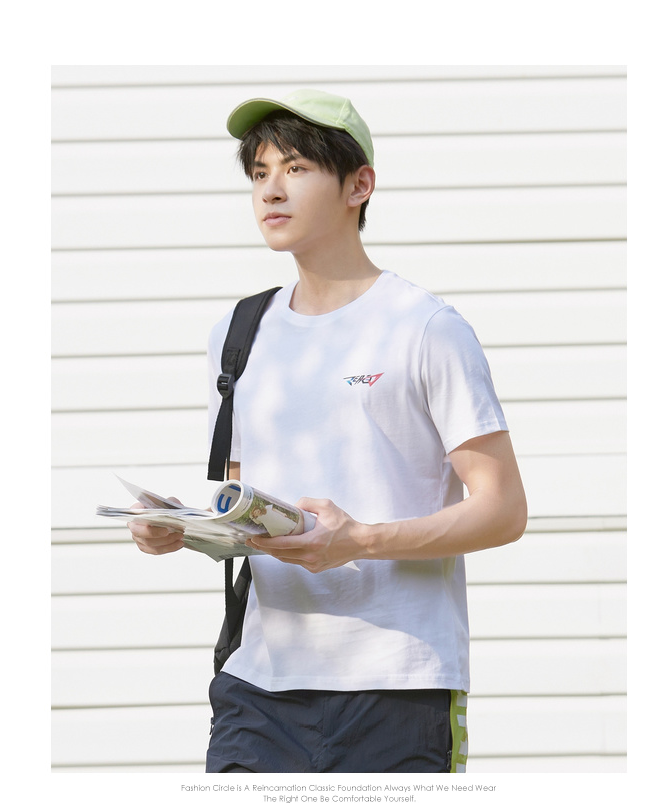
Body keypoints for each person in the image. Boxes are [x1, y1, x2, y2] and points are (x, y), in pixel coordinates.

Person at [129, 88, 528, 773]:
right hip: (258, 686)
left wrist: (361, 540)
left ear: (358, 185)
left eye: (296, 168)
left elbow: (503, 509)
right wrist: (185, 528)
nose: (270, 190)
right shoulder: (238, 334)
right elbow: (244, 501)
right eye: (259, 173)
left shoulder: (426, 327)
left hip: (397, 682)